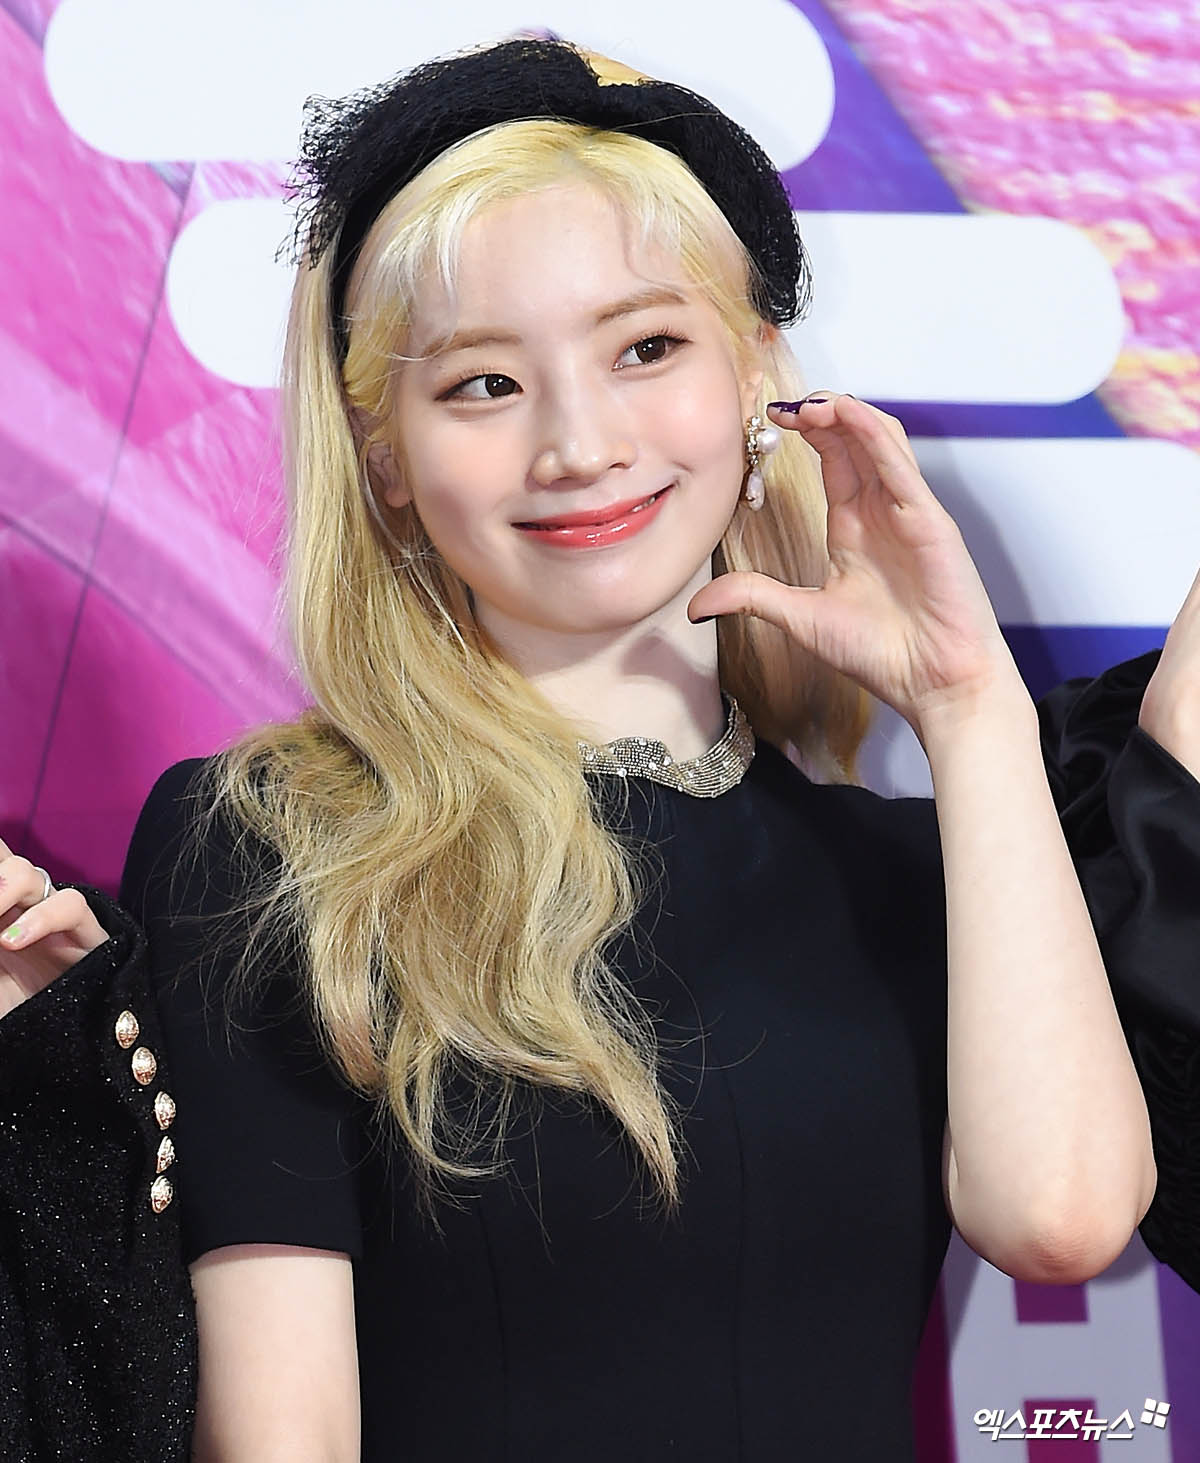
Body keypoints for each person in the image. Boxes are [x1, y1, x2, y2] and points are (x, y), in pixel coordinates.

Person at [0, 36, 1196, 1463]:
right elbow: (282, 1440)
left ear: (755, 375)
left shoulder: (912, 869)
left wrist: (968, 699)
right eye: (482, 385)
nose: (577, 443)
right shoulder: (274, 843)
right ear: (385, 460)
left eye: (645, 349)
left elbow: (1061, 1218)